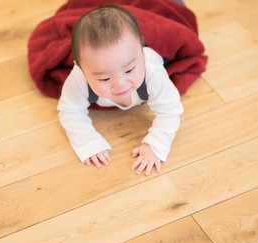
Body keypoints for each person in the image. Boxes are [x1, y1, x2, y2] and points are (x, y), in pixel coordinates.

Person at [57, 4, 184, 176]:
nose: (120, 84)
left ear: (142, 52)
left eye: (130, 70)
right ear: (80, 68)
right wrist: (88, 142)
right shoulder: (79, 78)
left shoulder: (152, 73)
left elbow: (170, 111)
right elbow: (69, 110)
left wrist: (155, 145)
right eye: (105, 78)